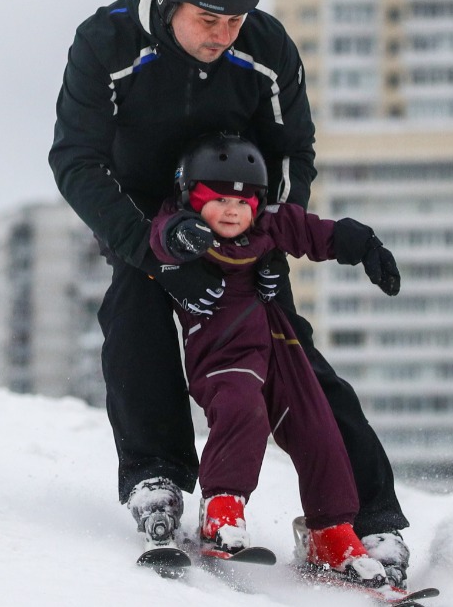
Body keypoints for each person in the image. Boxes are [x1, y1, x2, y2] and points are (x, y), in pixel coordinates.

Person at [47, 0, 411, 587]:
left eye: (234, 21)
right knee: (134, 323)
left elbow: (294, 152)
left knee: (287, 353)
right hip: (145, 218)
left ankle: (362, 513)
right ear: (170, 2)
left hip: (238, 218)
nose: (221, 36)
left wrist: (267, 238)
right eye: (208, 20)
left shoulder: (266, 49)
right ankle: (157, 478)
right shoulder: (107, 42)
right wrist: (153, 254)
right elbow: (75, 160)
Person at [149, 133, 399, 585]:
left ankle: (330, 530)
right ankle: (222, 508)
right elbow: (162, 238)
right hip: (223, 351)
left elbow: (312, 230)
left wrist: (363, 245)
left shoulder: (266, 226)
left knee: (317, 425)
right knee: (243, 410)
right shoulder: (184, 228)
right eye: (219, 200)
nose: (232, 211)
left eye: (244, 202)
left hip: (278, 344)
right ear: (192, 197)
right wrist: (179, 234)